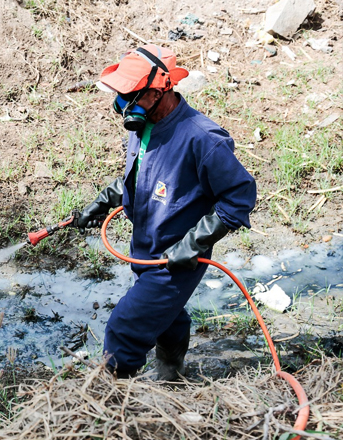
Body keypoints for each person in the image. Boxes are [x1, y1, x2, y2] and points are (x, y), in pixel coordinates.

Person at [73, 45, 256, 380]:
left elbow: (240, 196)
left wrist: (193, 244)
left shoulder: (202, 139)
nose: (121, 107)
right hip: (145, 247)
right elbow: (145, 174)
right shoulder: (146, 124)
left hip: (175, 259)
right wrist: (105, 199)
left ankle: (111, 405)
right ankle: (173, 374)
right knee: (167, 316)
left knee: (124, 330)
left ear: (158, 92)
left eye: (130, 97)